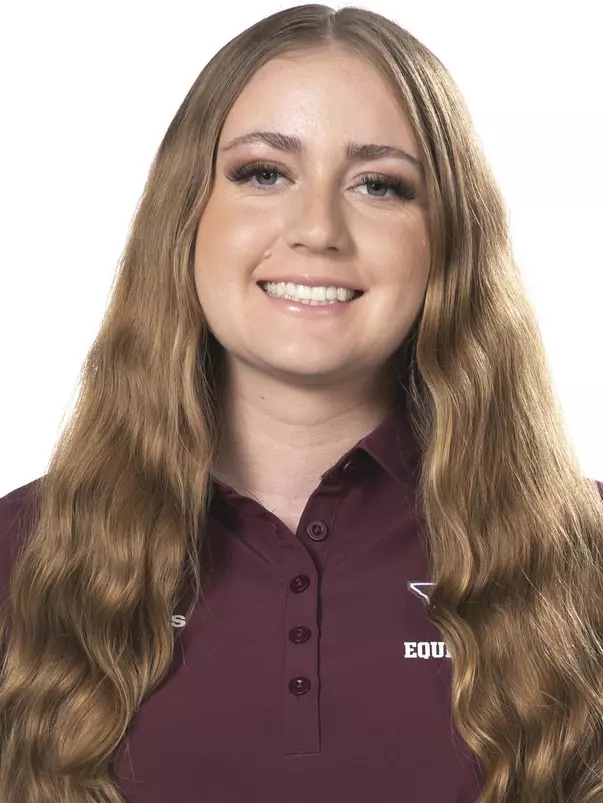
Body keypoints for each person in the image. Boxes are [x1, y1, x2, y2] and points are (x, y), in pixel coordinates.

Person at [1, 5, 602, 803]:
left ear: (449, 242)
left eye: (380, 184)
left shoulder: (583, 561)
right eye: (263, 172)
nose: (317, 228)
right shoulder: (21, 556)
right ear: (185, 215)